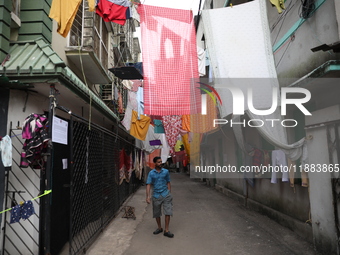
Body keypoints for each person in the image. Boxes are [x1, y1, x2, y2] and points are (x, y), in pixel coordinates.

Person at [146, 156, 174, 238]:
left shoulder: (166, 172)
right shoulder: (151, 173)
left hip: (166, 194)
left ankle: (167, 230)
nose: (160, 163)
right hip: (156, 195)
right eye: (158, 162)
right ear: (154, 163)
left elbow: (168, 182)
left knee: (168, 212)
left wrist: (169, 192)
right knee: (157, 213)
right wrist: (148, 196)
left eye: (161, 161)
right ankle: (159, 228)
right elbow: (148, 184)